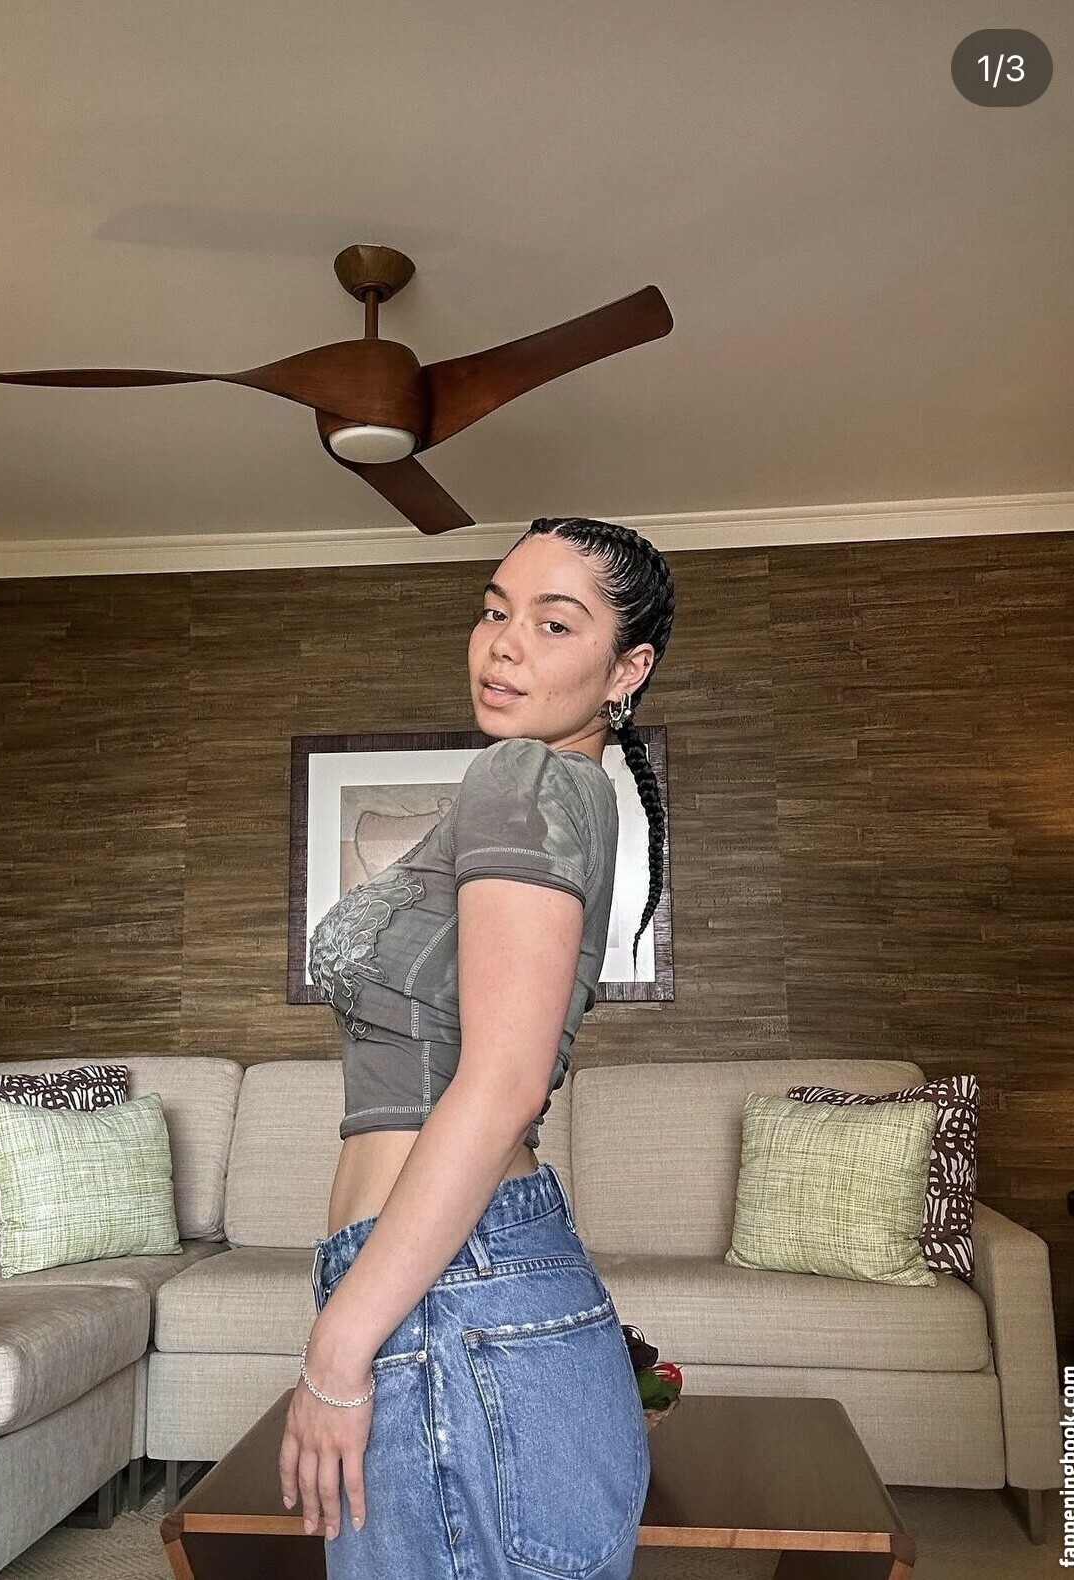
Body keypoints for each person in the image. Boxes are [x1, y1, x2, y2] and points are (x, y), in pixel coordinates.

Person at [280, 516, 676, 1578]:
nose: (503, 644)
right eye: (494, 610)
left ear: (626, 669)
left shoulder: (527, 777)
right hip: (468, 1291)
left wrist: (337, 1347)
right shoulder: (566, 790)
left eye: (554, 623)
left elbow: (503, 1084)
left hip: (453, 1299)